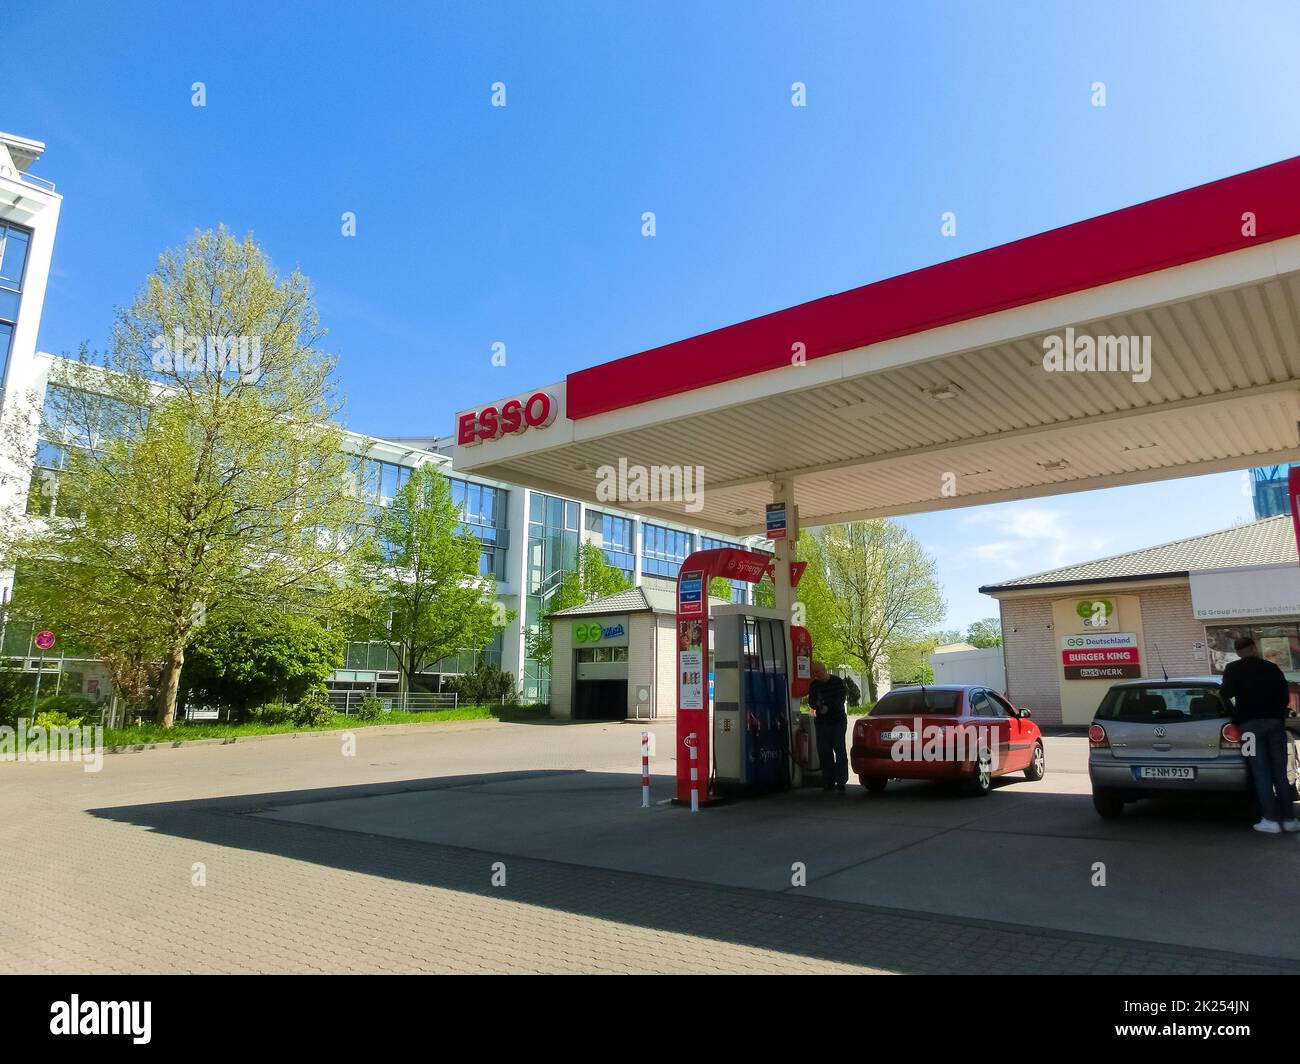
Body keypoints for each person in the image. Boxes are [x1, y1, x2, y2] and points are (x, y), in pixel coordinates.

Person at [1221, 635, 1297, 834]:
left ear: (1237, 652)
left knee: (1259, 772)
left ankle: (1270, 819)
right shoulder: (1272, 668)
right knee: (1280, 772)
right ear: (1254, 648)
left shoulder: (1233, 669)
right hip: (1275, 724)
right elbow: (1284, 696)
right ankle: (1289, 819)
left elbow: (1225, 693)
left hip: (1249, 728)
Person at [809, 661, 849, 792]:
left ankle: (841, 780)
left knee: (839, 749)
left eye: (817, 672)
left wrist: (827, 707)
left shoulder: (837, 682)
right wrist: (818, 705)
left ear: (824, 670)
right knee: (824, 752)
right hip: (822, 723)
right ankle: (828, 781)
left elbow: (840, 700)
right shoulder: (814, 685)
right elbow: (811, 702)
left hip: (837, 721)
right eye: (813, 673)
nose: (815, 675)